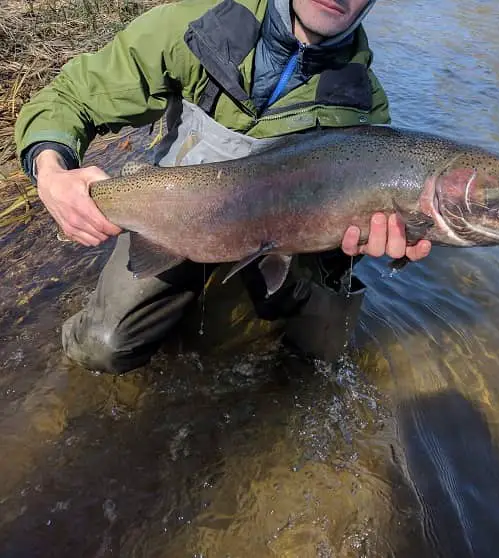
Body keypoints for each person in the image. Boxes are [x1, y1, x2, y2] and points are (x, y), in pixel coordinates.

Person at [14, 0, 431, 373]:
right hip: (173, 216)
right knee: (102, 347)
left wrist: (387, 246)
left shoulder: (364, 106)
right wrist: (52, 173)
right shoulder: (200, 24)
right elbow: (71, 98)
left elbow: (362, 223)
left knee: (320, 355)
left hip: (281, 241)